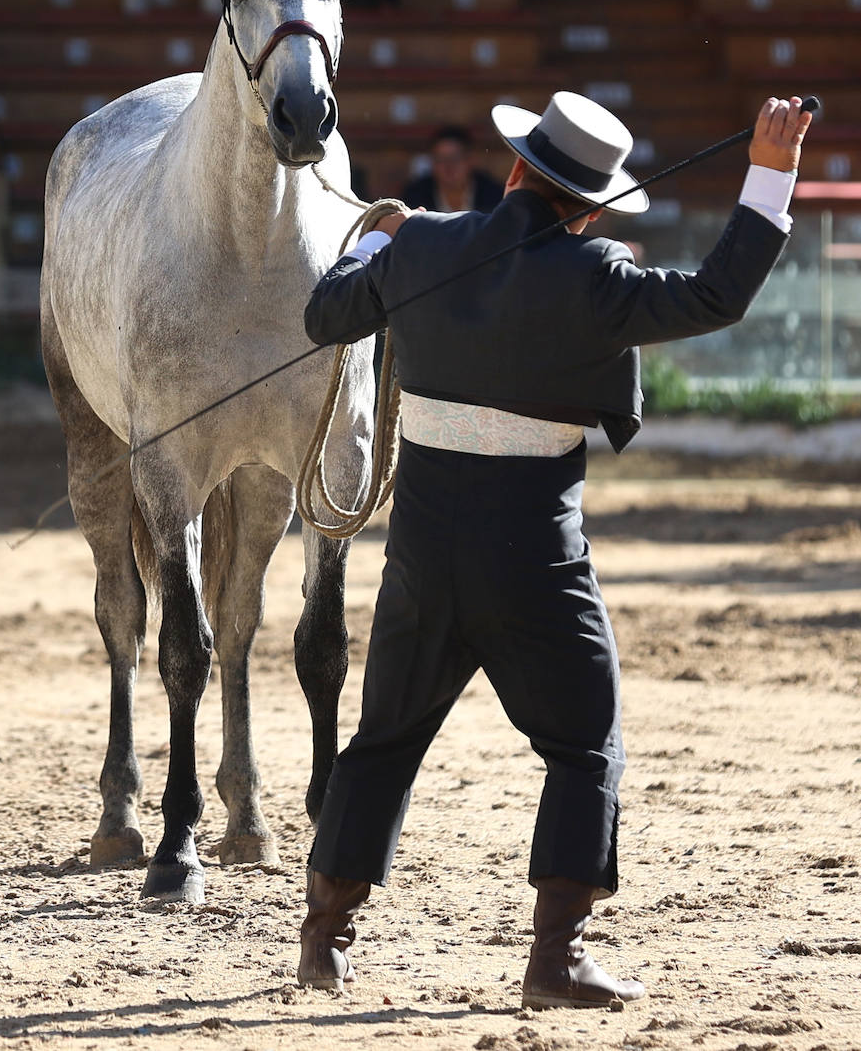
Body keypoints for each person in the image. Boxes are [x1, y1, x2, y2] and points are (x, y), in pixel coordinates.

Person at [296, 91, 811, 1009]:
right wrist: (769, 172)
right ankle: (554, 961)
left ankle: (324, 942)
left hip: (420, 556)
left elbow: (324, 315)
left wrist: (383, 239)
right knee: (583, 749)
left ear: (514, 170)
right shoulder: (598, 274)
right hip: (536, 563)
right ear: (590, 205)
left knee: (381, 743)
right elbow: (715, 296)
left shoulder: (419, 245)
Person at [403, 125, 504, 213]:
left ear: (471, 160)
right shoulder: (415, 196)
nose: (448, 166)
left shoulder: (494, 195)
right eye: (440, 159)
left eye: (455, 158)